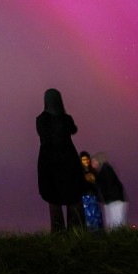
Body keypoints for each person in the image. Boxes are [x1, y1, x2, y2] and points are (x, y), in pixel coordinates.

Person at [35, 89, 85, 232]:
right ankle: (76, 232)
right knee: (73, 198)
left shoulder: (41, 119)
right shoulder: (66, 118)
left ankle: (58, 233)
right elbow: (73, 130)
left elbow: (44, 134)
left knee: (53, 199)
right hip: (68, 160)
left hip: (49, 161)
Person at [92, 151, 128, 229]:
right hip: (111, 201)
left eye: (94, 161)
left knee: (116, 224)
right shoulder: (103, 170)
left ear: (99, 160)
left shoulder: (106, 169)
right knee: (112, 224)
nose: (93, 164)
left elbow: (107, 185)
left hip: (115, 201)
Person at [78, 152, 104, 232]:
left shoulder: (94, 171)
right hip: (85, 199)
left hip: (94, 198)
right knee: (88, 220)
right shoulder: (79, 172)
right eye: (83, 159)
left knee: (97, 218)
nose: (86, 161)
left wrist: (94, 180)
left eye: (87, 159)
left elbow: (99, 185)